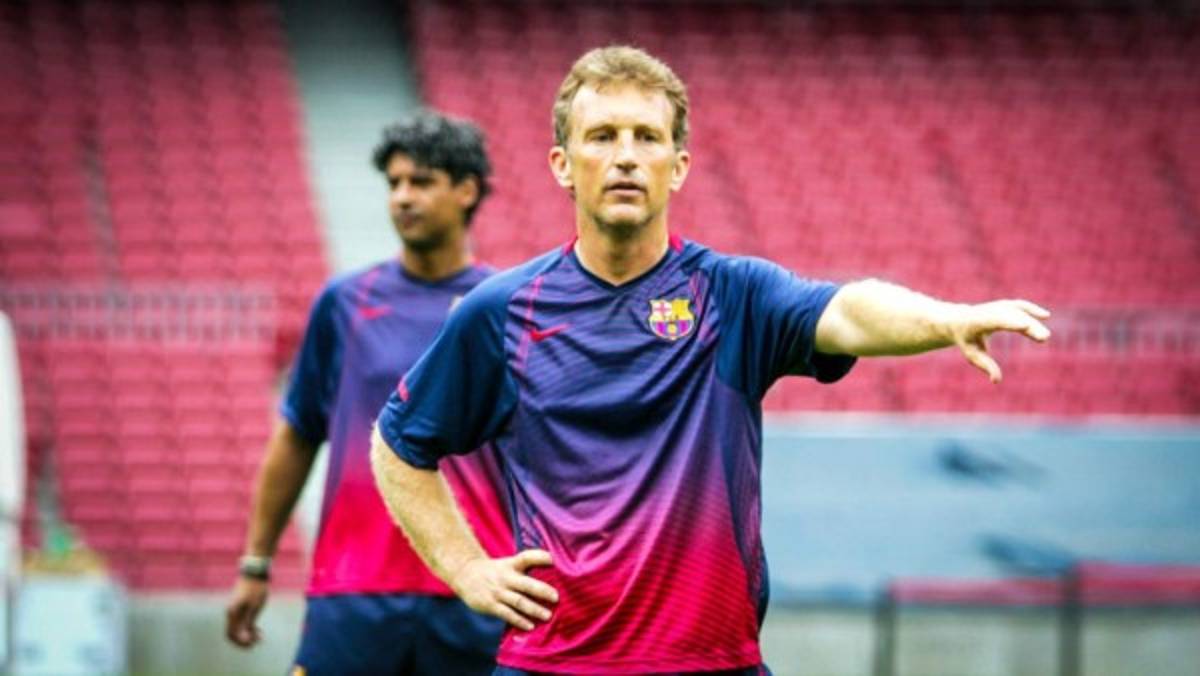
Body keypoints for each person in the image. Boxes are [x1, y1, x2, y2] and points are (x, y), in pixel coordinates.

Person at [369, 46, 1051, 675]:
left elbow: (849, 310)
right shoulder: (502, 312)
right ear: (562, 164)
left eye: (647, 137)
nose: (626, 156)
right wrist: (466, 569)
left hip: (714, 662)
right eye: (602, 136)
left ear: (679, 166)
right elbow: (399, 444)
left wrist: (945, 320)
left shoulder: (732, 295)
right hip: (552, 662)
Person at [224, 111, 512, 675]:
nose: (403, 197)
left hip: (477, 588)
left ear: (466, 191)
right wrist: (256, 563)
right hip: (352, 591)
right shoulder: (344, 303)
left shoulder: (506, 306)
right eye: (395, 183)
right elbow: (296, 437)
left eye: (421, 182)